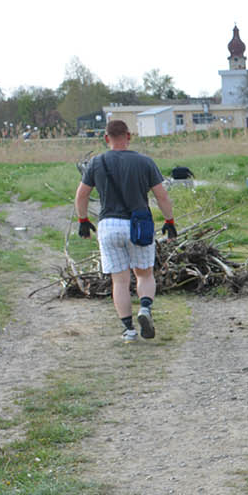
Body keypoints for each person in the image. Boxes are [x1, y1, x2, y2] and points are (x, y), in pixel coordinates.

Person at [73, 120, 176, 342]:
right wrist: (170, 221)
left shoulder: (96, 162)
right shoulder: (145, 162)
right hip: (139, 225)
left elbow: (81, 195)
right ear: (129, 136)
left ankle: (128, 330)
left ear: (106, 138)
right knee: (144, 273)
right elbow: (162, 196)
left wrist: (83, 220)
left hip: (109, 225)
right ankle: (145, 308)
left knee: (119, 280)